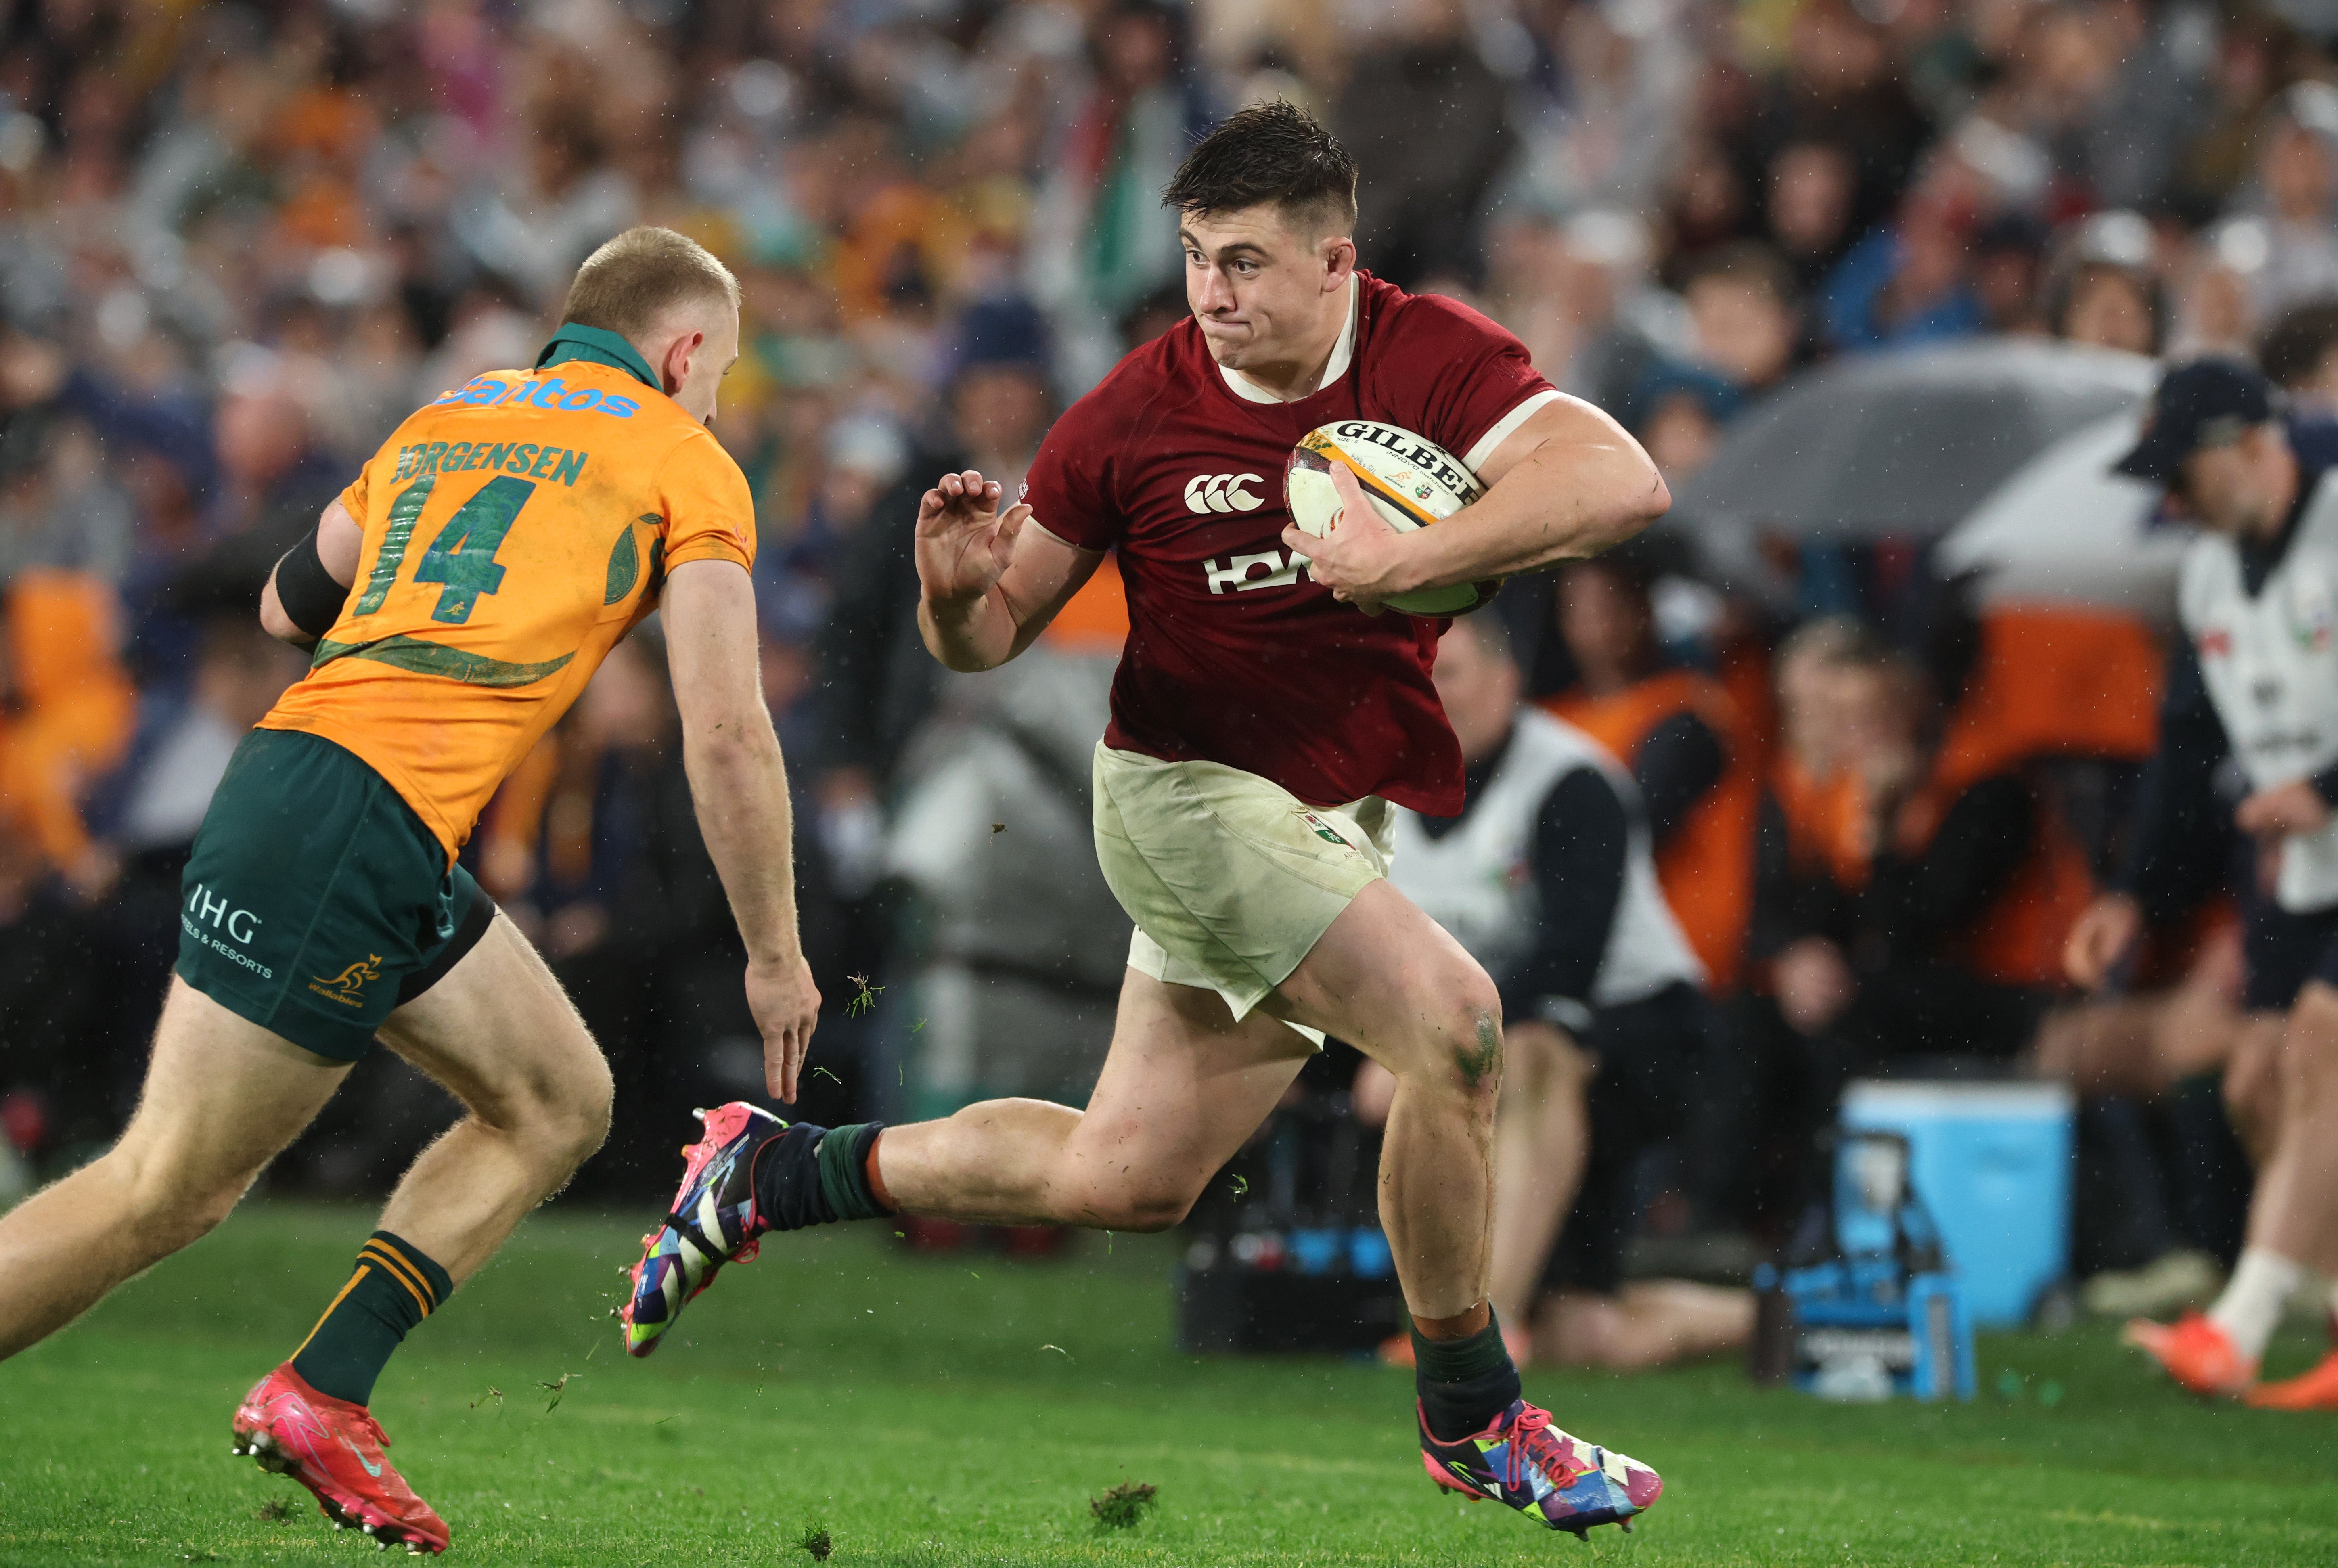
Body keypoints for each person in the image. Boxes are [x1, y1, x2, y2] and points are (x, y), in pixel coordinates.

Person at [622, 103, 1672, 1539]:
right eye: (1193, 259)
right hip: (1181, 797)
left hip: (1317, 817)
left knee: (1126, 1174)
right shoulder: (1135, 408)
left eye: (1243, 262)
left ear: (1335, 263)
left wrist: (1412, 553)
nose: (1213, 295)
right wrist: (945, 589)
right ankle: (1473, 1410)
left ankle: (776, 1167)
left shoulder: (1426, 354)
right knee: (1460, 1026)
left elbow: (1622, 481)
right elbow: (990, 638)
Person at [0, 227, 822, 1553]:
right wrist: (776, 951)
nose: (720, 395)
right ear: (680, 351)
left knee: (559, 1097)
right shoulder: (685, 458)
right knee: (163, 1189)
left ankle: (324, 1387)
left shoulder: (451, 413)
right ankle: (313, 1391)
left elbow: (287, 604)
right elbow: (725, 730)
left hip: (335, 794)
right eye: (720, 368)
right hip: (353, 819)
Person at [1357, 613, 1750, 1371]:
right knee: (1584, 1336)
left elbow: (1566, 966)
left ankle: (1477, 1331)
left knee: (1532, 1050)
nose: (1431, 694)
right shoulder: (1383, 792)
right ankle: (1775, 1315)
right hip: (1487, 1044)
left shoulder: (1571, 782)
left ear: (1507, 682)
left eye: (1451, 673)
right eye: (1417, 675)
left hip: (1641, 1034)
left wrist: (1417, 1050)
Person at [2066, 358, 2338, 1409]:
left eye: (2179, 475)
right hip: (2306, 866)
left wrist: (2320, 784)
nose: (2167, 502)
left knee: (2321, 1040)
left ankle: (2239, 1323)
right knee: (2257, 1084)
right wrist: (2132, 892)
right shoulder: (2209, 573)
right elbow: (2186, 750)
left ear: (2248, 443)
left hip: (2314, 825)